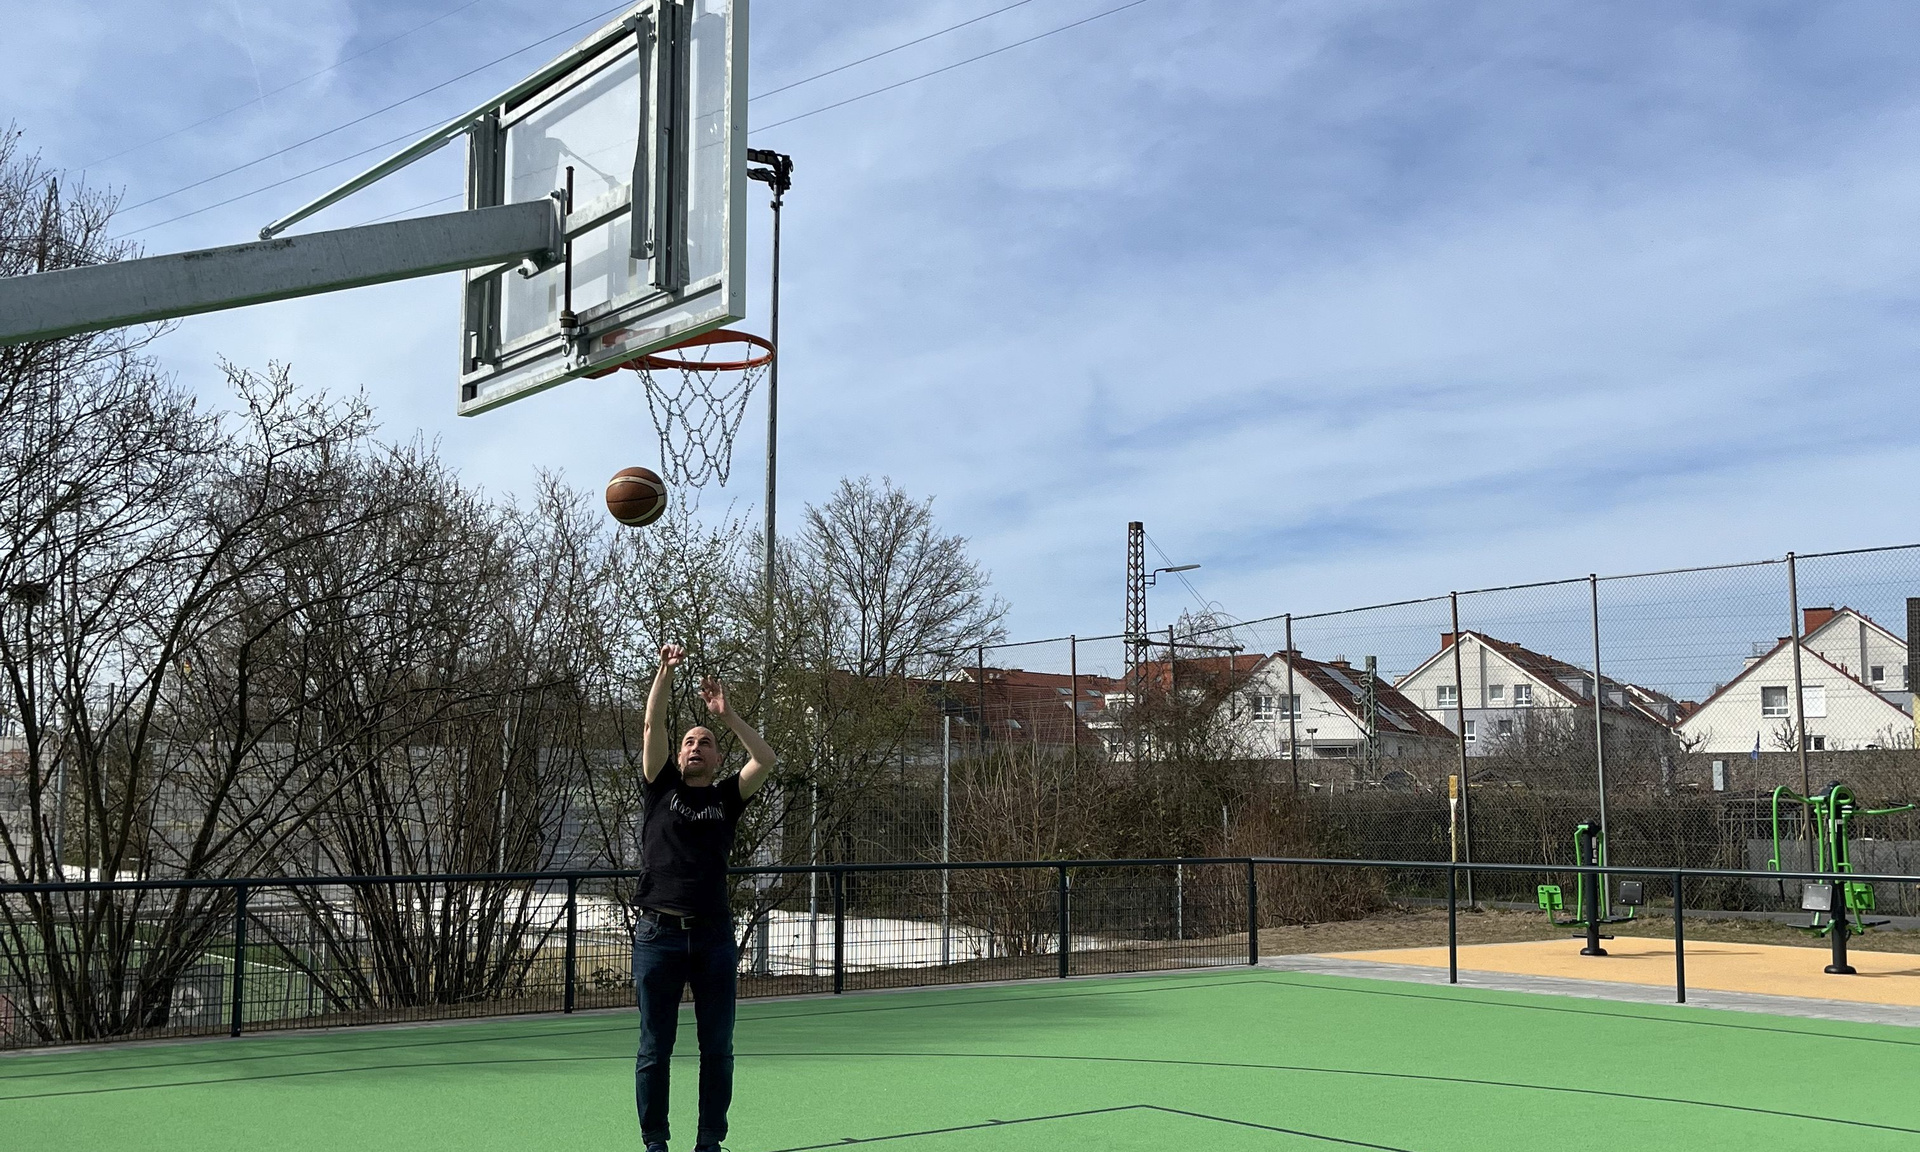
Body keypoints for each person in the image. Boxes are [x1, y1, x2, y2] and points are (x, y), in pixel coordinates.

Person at [634, 643, 775, 1152]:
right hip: (658, 935)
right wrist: (664, 673)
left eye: (706, 742)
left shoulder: (726, 798)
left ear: (717, 759)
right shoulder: (660, 787)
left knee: (717, 1050)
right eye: (689, 740)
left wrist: (728, 714)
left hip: (714, 938)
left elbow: (765, 758)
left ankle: (710, 1142)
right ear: (677, 756)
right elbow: (653, 726)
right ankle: (655, 1143)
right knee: (655, 1049)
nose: (696, 745)